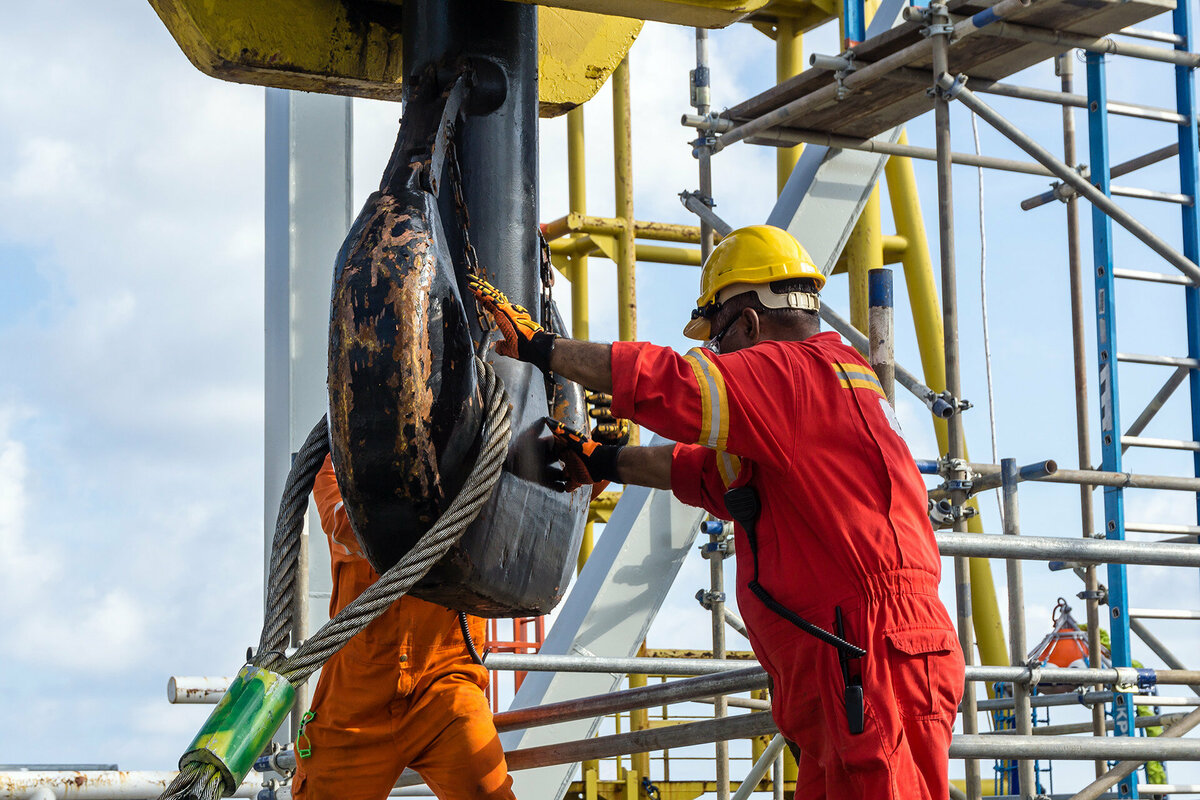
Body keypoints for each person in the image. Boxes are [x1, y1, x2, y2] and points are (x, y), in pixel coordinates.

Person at [469, 224, 965, 800]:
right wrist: (606, 460)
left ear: (748, 323)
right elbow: (709, 473)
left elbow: (678, 386)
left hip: (863, 656)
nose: (715, 356)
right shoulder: (827, 382)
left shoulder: (790, 373)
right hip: (858, 655)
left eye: (717, 341)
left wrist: (542, 349)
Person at [292, 454, 516, 800]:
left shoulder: (490, 440)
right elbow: (347, 525)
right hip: (356, 699)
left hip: (445, 684)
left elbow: (555, 495)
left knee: (488, 791)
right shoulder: (341, 450)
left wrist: (605, 453)